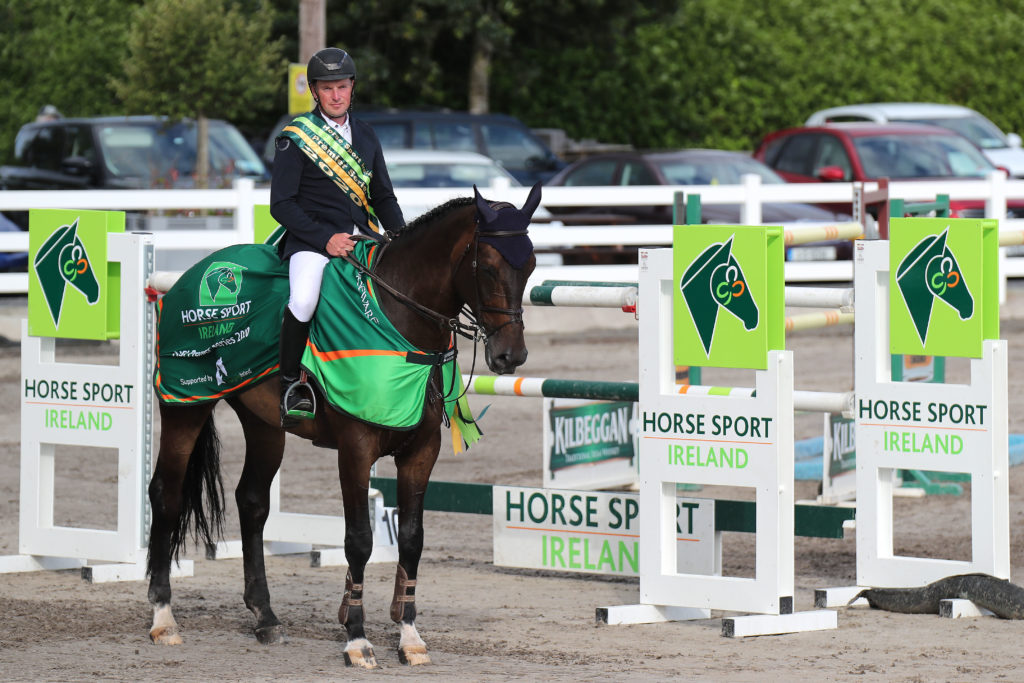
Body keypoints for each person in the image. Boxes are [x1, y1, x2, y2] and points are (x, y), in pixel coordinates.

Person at [270, 47, 405, 425]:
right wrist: (325, 238)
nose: (335, 95)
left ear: (352, 88)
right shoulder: (295, 137)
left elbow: (382, 196)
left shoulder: (366, 134)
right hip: (312, 242)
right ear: (315, 91)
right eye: (327, 88)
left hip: (363, 238)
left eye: (342, 87)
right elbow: (281, 204)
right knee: (304, 300)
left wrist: (402, 237)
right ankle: (290, 385)